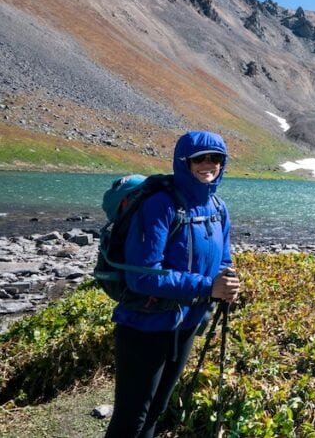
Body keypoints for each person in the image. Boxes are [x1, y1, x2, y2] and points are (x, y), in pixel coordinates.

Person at [105, 130, 241, 438]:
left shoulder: (219, 209)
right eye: (199, 159)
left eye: (216, 158)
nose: (209, 164)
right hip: (144, 326)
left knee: (156, 410)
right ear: (184, 162)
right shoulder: (160, 205)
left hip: (187, 324)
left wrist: (227, 280)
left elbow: (223, 259)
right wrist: (208, 288)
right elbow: (142, 275)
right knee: (131, 419)